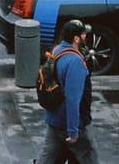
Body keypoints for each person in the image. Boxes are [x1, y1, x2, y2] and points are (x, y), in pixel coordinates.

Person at [36, 19, 99, 164]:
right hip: (70, 123)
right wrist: (73, 131)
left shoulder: (57, 50)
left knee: (48, 159)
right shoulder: (75, 62)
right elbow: (72, 99)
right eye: (83, 35)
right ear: (76, 39)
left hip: (54, 119)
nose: (86, 37)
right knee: (88, 157)